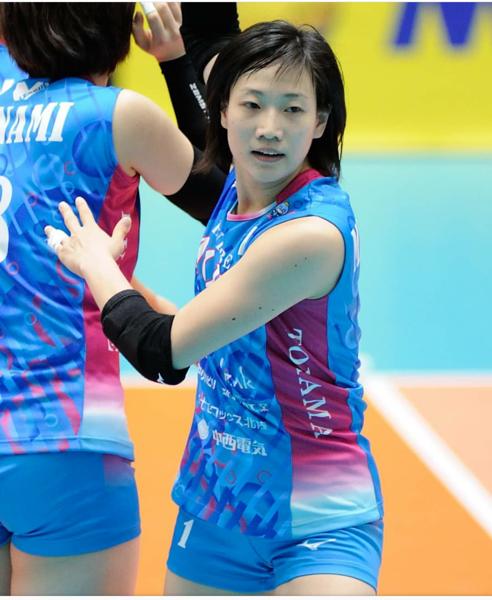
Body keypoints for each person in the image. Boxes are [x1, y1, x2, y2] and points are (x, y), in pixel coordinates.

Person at [47, 14, 384, 596]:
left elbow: (162, 351)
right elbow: (205, 147)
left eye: (293, 110)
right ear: (224, 112)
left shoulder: (309, 234)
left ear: (320, 121)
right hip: (216, 508)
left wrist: (99, 266)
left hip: (319, 520)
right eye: (252, 106)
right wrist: (174, 56)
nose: (270, 129)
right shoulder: (240, 191)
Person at [0, 2, 222, 594]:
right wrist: (176, 60)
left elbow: (29, 262)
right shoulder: (116, 115)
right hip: (64, 442)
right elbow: (230, 201)